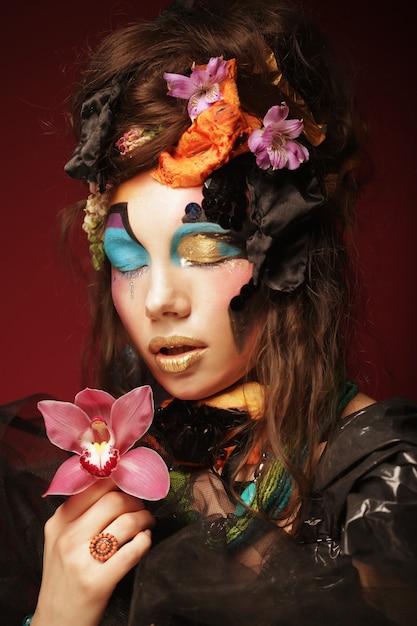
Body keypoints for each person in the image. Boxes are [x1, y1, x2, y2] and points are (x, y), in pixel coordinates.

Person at [1, 0, 416, 625]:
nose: (160, 300)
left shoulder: (383, 484)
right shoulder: (98, 466)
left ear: (285, 255)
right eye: (127, 259)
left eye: (203, 250)